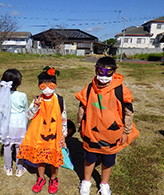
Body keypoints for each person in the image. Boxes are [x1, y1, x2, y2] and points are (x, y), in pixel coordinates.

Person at [75, 57, 139, 195]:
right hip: (91, 132)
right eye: (100, 71)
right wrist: (80, 125)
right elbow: (82, 107)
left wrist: (126, 132)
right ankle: (86, 182)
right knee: (89, 158)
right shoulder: (89, 88)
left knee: (108, 161)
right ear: (96, 70)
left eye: (108, 72)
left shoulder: (121, 90)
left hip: (112, 134)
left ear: (114, 72)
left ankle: (104, 184)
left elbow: (128, 112)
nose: (103, 76)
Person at [17, 66, 67, 194]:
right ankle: (40, 178)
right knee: (41, 159)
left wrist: (63, 135)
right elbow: (28, 116)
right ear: (39, 86)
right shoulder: (37, 99)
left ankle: (54, 178)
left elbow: (63, 118)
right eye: (43, 86)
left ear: (55, 84)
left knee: (54, 159)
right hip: (39, 135)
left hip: (54, 134)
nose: (47, 89)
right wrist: (35, 106)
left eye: (50, 85)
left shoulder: (60, 100)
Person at [0, 69, 28, 177]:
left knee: (7, 147)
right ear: (19, 82)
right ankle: (19, 168)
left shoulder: (3, 96)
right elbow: (26, 110)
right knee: (19, 147)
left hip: (7, 124)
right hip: (20, 124)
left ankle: (8, 168)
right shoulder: (22, 95)